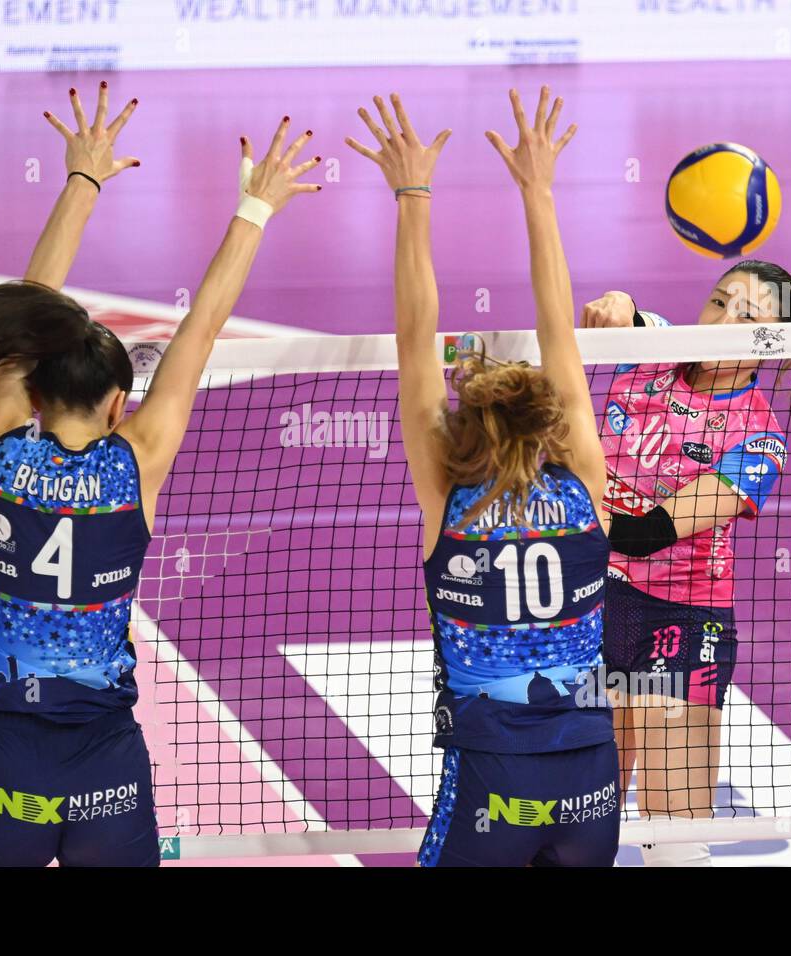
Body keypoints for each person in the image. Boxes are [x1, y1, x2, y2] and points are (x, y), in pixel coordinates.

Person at [0, 86, 320, 866]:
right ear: (120, 402)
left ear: (33, 392)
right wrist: (255, 207)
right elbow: (201, 329)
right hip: (107, 762)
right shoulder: (135, 462)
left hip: (4, 759)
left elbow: (27, 309)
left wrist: (83, 178)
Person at [348, 88, 619, 866]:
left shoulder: (452, 496)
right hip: (589, 778)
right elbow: (557, 326)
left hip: (492, 776)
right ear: (551, 424)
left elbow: (415, 335)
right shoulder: (582, 486)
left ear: (465, 424)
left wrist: (413, 195)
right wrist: (538, 189)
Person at [582, 263, 791, 866]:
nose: (724, 321)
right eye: (719, 301)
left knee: (672, 838)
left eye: (748, 316)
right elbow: (633, 317)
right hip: (594, 608)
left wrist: (554, 518)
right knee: (582, 828)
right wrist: (617, 304)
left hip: (677, 625)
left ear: (770, 342)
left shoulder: (757, 438)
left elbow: (648, 534)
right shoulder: (654, 352)